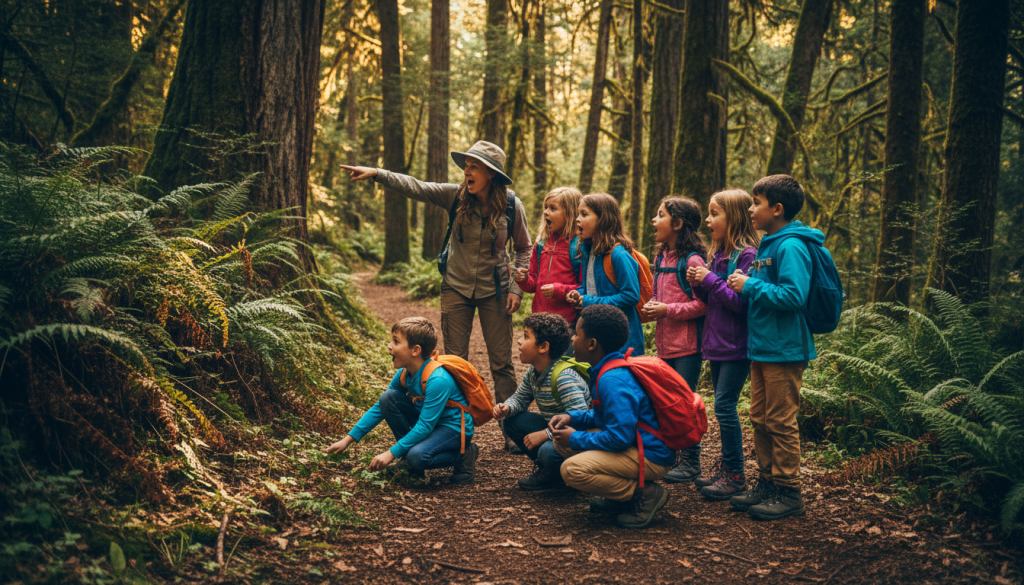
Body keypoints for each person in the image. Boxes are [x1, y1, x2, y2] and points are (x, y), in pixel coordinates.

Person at [341, 141, 532, 451]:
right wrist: (377, 173)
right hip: (455, 287)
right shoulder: (455, 197)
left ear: (491, 174)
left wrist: (516, 289)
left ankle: (511, 432)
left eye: (474, 166)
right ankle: (458, 435)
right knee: (454, 363)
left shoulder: (512, 205)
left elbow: (524, 248)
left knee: (502, 364)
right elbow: (416, 186)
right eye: (466, 165)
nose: (466, 171)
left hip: (495, 291)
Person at [726, 175, 821, 520]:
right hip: (762, 346)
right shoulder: (768, 243)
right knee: (760, 417)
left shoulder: (790, 246)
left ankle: (789, 490)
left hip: (785, 349)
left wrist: (749, 285)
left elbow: (794, 295)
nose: (750, 209)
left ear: (777, 209)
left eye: (756, 203)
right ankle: (767, 482)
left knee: (781, 420)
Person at [551, 305, 675, 529]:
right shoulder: (606, 369)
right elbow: (603, 416)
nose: (572, 339)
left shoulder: (612, 380)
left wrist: (575, 438)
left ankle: (644, 493)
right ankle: (620, 497)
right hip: (639, 447)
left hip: (651, 456)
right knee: (563, 445)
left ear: (592, 344)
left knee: (572, 470)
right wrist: (572, 418)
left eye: (577, 334)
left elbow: (619, 437)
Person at [325, 318, 478, 483]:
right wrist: (348, 440)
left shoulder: (438, 380)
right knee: (388, 398)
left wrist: (390, 454)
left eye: (396, 342)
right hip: (429, 422)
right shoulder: (406, 373)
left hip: (452, 428)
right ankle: (409, 460)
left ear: (415, 350)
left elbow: (425, 426)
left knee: (417, 457)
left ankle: (464, 454)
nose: (389, 346)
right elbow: (380, 407)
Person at [686, 189, 760, 500]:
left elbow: (741, 304)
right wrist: (699, 285)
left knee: (726, 407)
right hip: (716, 341)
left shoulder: (747, 256)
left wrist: (709, 281)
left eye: (715, 213)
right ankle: (728, 468)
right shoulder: (719, 254)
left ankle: (735, 474)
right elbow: (714, 300)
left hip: (736, 344)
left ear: (735, 217)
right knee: (722, 405)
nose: (708, 219)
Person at [641, 197, 708, 483]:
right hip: (665, 344)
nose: (654, 221)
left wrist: (667, 309)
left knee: (684, 404)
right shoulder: (660, 257)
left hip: (688, 347)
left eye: (660, 215)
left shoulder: (691, 260)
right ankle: (672, 456)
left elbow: (703, 305)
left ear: (678, 224)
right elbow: (661, 295)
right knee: (665, 401)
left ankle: (692, 461)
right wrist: (654, 306)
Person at [492, 313, 590, 490]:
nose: (519, 341)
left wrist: (546, 434)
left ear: (543, 347)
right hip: (554, 429)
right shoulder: (534, 371)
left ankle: (566, 472)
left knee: (546, 450)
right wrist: (507, 407)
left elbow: (581, 421)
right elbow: (520, 398)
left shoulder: (564, 378)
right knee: (512, 421)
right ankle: (552, 472)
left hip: (577, 439)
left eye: (526, 336)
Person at [565, 193, 645, 356]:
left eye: (584, 214)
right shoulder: (589, 251)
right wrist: (579, 293)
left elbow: (631, 296)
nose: (577, 219)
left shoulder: (618, 254)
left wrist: (588, 300)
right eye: (578, 214)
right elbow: (592, 287)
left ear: (603, 220)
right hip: (598, 335)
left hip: (622, 343)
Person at [514, 187, 584, 330]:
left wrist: (559, 291)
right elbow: (533, 284)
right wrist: (523, 280)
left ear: (570, 214)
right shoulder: (541, 243)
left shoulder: (578, 247)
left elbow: (586, 288)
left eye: (553, 208)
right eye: (546, 207)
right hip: (539, 319)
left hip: (566, 323)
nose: (546, 212)